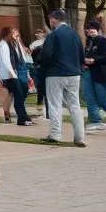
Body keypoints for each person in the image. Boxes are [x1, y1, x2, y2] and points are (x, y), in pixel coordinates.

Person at [37, 9, 87, 147]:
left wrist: (40, 62)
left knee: (55, 104)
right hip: (74, 73)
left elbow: (46, 54)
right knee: (75, 105)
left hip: (56, 73)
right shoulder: (75, 35)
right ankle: (80, 137)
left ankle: (55, 134)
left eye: (51, 19)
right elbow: (81, 55)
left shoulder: (54, 35)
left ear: (54, 19)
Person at [82, 20, 106, 132]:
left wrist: (94, 60)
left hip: (101, 73)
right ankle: (95, 120)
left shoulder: (103, 41)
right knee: (89, 97)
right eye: (87, 28)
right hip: (88, 72)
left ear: (97, 30)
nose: (88, 30)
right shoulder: (89, 42)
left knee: (101, 99)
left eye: (91, 28)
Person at [0, 27, 33, 127]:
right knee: (18, 95)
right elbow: (5, 60)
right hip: (9, 75)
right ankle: (22, 118)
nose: (15, 34)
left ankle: (23, 117)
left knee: (21, 93)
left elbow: (22, 57)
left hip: (16, 72)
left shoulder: (13, 43)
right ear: (7, 34)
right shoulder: (3, 45)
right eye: (13, 32)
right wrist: (12, 73)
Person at [29, 27, 49, 117]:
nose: (38, 35)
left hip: (44, 68)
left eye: (40, 32)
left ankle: (48, 110)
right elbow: (31, 54)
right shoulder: (34, 44)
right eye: (36, 33)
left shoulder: (47, 41)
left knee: (46, 88)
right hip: (36, 68)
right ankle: (40, 108)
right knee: (40, 88)